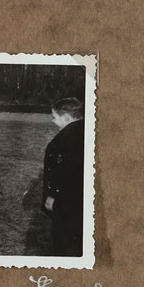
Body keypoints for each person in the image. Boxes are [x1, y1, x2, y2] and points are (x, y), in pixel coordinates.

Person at [42, 97, 85, 256]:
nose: (53, 121)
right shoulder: (88, 131)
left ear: (66, 117)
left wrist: (53, 195)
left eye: (55, 117)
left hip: (66, 202)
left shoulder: (64, 141)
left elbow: (65, 173)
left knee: (64, 237)